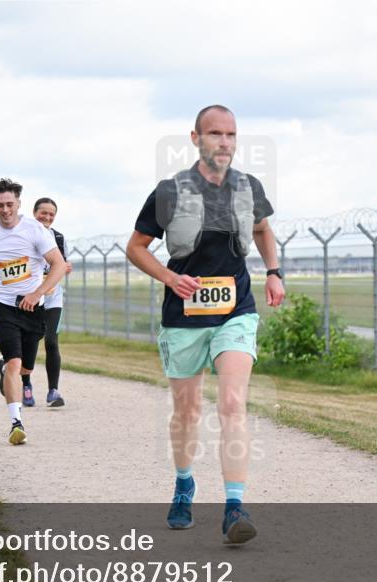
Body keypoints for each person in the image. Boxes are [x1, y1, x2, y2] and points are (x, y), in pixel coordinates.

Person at [126, 105, 286, 545]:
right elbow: (136, 247)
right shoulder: (169, 191)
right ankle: (183, 485)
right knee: (188, 410)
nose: (224, 142)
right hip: (184, 316)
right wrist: (169, 277)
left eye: (231, 134)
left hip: (236, 310)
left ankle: (235, 506)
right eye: (215, 133)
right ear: (195, 138)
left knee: (233, 404)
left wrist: (274, 272)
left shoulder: (248, 186)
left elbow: (262, 230)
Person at [0, 178, 66, 445]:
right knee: (14, 362)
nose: (5, 210)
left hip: (32, 307)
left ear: (19, 204)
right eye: (0, 205)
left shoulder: (35, 230)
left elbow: (57, 265)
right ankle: (16, 423)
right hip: (0, 306)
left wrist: (38, 293)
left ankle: (9, 374)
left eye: (10, 204)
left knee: (25, 369)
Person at [4, 197, 73, 408]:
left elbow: (62, 264)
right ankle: (25, 384)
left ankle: (53, 391)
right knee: (28, 342)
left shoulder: (59, 238)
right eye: (43, 212)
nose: (47, 217)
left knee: (51, 340)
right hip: (29, 297)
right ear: (34, 213)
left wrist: (64, 268)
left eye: (52, 214)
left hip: (52, 298)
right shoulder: (22, 235)